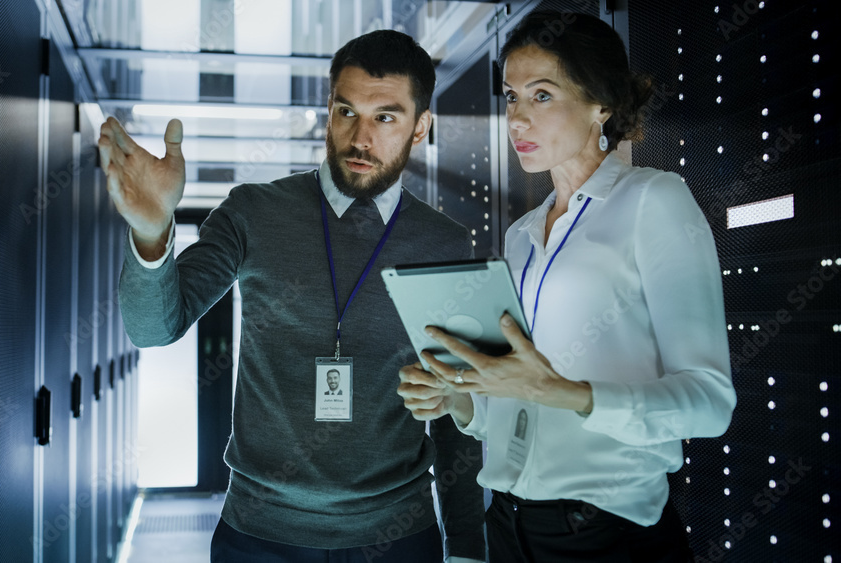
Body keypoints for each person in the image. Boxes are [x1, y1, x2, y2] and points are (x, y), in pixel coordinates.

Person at [99, 29, 486, 563]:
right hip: (259, 535)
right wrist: (151, 232)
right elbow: (154, 327)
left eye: (386, 117)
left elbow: (454, 408)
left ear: (421, 127)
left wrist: (468, 548)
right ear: (328, 109)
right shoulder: (253, 211)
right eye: (346, 111)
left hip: (397, 535)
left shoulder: (443, 242)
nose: (360, 138)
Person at [397, 11, 736, 563]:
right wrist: (457, 398)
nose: (517, 120)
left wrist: (568, 394)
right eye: (510, 98)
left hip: (607, 532)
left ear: (601, 103)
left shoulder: (654, 201)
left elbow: (708, 403)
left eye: (542, 96)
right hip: (506, 522)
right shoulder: (522, 235)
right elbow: (511, 400)